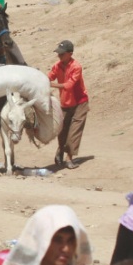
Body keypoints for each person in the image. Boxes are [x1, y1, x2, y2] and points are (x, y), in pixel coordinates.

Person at [48, 40, 88, 169]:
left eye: (62, 54)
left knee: (74, 132)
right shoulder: (57, 66)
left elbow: (69, 85)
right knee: (62, 130)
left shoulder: (76, 67)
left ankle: (69, 158)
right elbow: (49, 76)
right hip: (65, 103)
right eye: (58, 54)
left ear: (70, 54)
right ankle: (60, 150)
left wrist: (51, 84)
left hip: (80, 103)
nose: (59, 56)